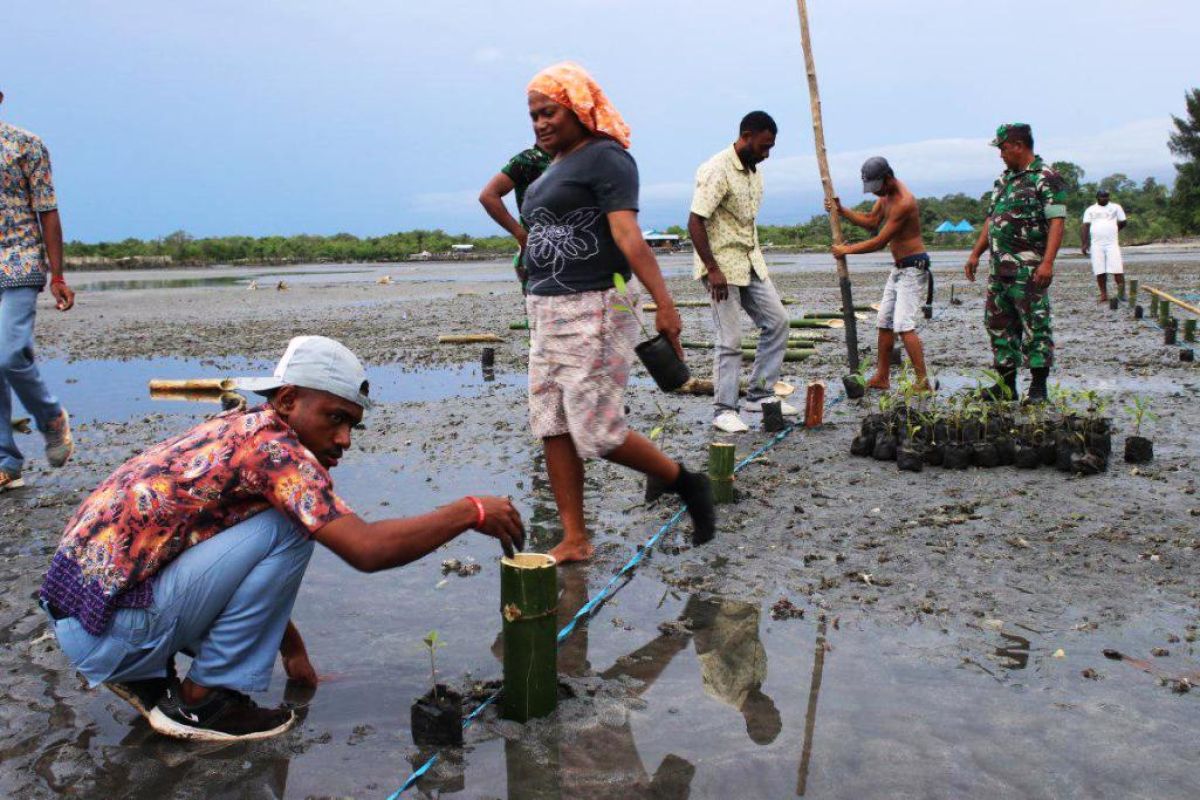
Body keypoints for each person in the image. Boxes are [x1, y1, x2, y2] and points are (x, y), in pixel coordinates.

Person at [39, 335, 525, 742]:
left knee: (277, 526)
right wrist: (468, 511)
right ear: (289, 400)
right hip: (113, 632)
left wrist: (289, 647)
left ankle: (152, 673)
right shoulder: (277, 454)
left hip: (85, 619)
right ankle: (207, 701)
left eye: (352, 424)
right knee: (292, 528)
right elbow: (368, 549)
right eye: (334, 417)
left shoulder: (238, 427)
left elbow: (222, 557)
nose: (344, 440)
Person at [520, 62, 714, 563]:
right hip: (544, 309)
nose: (540, 123)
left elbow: (629, 237)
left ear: (579, 109)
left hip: (595, 306)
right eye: (534, 115)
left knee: (596, 431)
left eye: (549, 112)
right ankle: (575, 539)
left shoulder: (607, 158)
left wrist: (664, 304)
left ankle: (686, 481)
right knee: (551, 422)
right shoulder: (552, 168)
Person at [688, 111, 797, 434]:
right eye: (764, 146)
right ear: (746, 136)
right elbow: (695, 221)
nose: (767, 154)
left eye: (771, 148)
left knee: (778, 322)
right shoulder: (717, 169)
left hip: (750, 262)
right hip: (720, 267)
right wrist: (712, 269)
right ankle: (724, 409)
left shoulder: (753, 173)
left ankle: (760, 393)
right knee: (730, 339)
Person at [0, 89, 75, 490]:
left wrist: (58, 276)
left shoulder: (25, 146)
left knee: (9, 355)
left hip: (20, 260)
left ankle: (51, 418)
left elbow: (48, 210)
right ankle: (6, 462)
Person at [964, 123, 1067, 402]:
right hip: (1000, 269)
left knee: (1036, 325)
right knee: (999, 324)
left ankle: (1038, 388)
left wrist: (1048, 263)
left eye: (1003, 147)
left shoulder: (1045, 177)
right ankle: (1005, 386)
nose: (1000, 154)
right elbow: (991, 220)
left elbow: (1057, 222)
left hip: (1029, 269)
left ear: (1019, 145)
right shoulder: (1003, 180)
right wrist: (976, 253)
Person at [827, 157, 933, 392]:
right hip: (899, 268)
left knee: (904, 325)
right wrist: (842, 211)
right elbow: (871, 222)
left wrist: (847, 250)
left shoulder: (904, 202)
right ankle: (882, 377)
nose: (875, 194)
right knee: (884, 321)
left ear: (887, 178)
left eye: (877, 188)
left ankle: (923, 382)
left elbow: (879, 241)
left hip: (914, 268)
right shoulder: (885, 197)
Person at [478, 144, 552, 288]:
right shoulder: (530, 160)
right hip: (538, 256)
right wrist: (521, 235)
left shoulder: (583, 159)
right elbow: (488, 196)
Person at [1081, 189, 1127, 302]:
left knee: (1117, 269)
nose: (1105, 198)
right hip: (1096, 244)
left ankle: (1122, 294)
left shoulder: (1116, 207)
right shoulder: (1090, 210)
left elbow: (1123, 222)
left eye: (1107, 196)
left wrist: (1114, 229)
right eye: (1102, 196)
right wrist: (1084, 243)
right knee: (1099, 270)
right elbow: (1085, 226)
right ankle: (1104, 294)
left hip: (1112, 243)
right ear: (1097, 197)